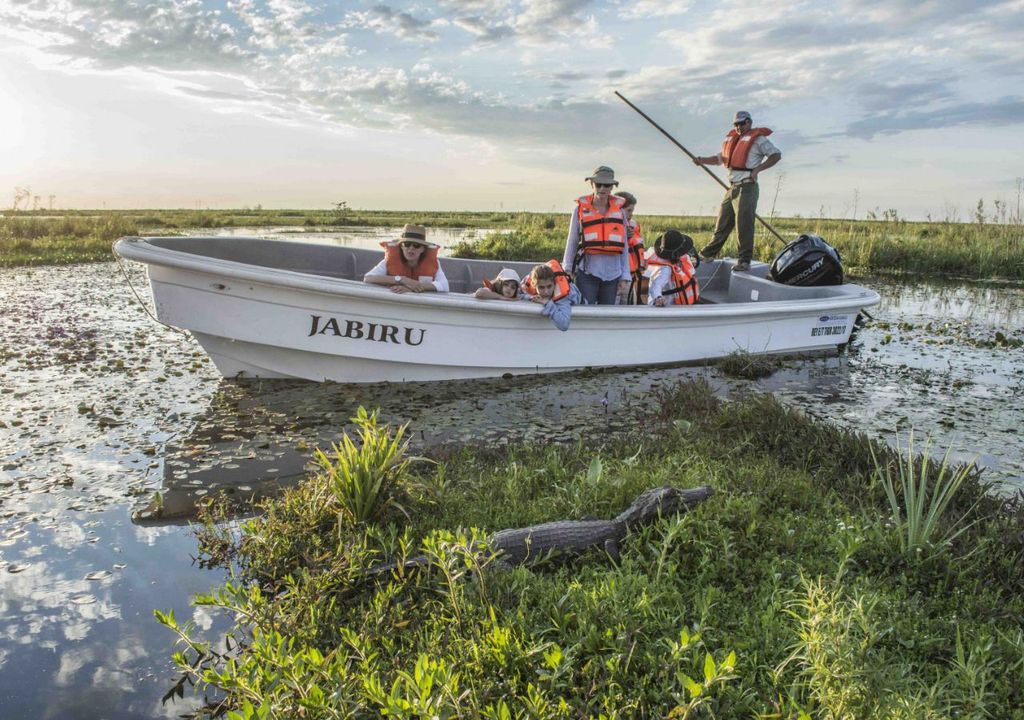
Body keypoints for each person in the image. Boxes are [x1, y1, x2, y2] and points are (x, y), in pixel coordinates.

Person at [692, 110, 781, 272]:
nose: (739, 127)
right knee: (722, 223)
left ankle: (744, 261)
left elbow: (775, 155)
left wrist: (758, 170)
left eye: (742, 123)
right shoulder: (733, 140)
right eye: (736, 124)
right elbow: (720, 159)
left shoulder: (759, 139)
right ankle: (707, 254)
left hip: (747, 187)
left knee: (743, 225)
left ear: (749, 122)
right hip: (732, 187)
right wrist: (702, 160)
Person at [562, 166, 631, 305]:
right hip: (588, 272)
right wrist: (567, 269)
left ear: (612, 187)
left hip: (613, 274)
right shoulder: (579, 210)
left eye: (607, 185)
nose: (602, 188)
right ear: (592, 185)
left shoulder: (620, 212)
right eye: (598, 184)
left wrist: (625, 276)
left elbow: (624, 246)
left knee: (608, 313)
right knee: (585, 310)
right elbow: (572, 241)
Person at [363, 224, 449, 293]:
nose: (411, 248)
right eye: (407, 244)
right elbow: (368, 278)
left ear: (423, 249)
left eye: (416, 245)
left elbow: (444, 286)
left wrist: (412, 288)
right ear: (401, 247)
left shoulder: (433, 262)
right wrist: (402, 280)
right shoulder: (390, 260)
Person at [521, 260, 582, 331]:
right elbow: (517, 292)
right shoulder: (529, 282)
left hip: (583, 301)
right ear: (534, 286)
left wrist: (547, 303)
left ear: (554, 284)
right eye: (541, 287)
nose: (546, 291)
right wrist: (530, 297)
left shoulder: (563, 297)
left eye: (549, 286)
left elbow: (564, 325)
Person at [646, 230, 700, 306]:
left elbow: (690, 273)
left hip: (684, 304)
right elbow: (656, 285)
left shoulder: (683, 259)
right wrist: (658, 297)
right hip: (669, 306)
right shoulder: (665, 269)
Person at [615, 191, 647, 304]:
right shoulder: (610, 226)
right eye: (629, 210)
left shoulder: (633, 225)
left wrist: (642, 264)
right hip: (616, 276)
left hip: (631, 275)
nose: (631, 214)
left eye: (632, 211)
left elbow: (637, 248)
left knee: (628, 305)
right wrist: (623, 236)